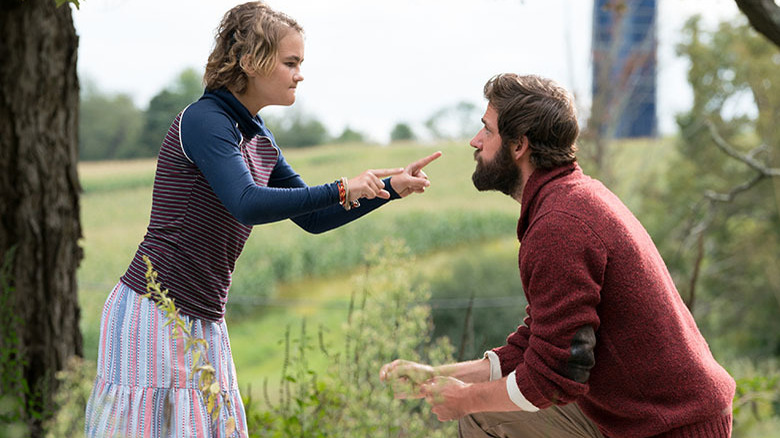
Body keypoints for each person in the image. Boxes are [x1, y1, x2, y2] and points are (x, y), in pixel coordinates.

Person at [83, 2, 440, 437]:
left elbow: (313, 218)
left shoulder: (257, 134)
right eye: (291, 62)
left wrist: (388, 191)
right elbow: (247, 202)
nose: (299, 74)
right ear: (250, 61)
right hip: (153, 310)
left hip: (203, 314)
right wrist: (344, 186)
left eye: (300, 63)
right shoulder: (204, 121)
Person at [380, 73, 735, 437]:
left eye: (487, 130)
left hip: (671, 426)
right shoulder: (567, 200)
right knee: (484, 413)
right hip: (646, 419)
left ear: (519, 145)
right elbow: (539, 345)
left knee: (478, 409)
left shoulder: (560, 223)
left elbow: (555, 378)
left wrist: (465, 399)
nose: (475, 141)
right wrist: (439, 378)